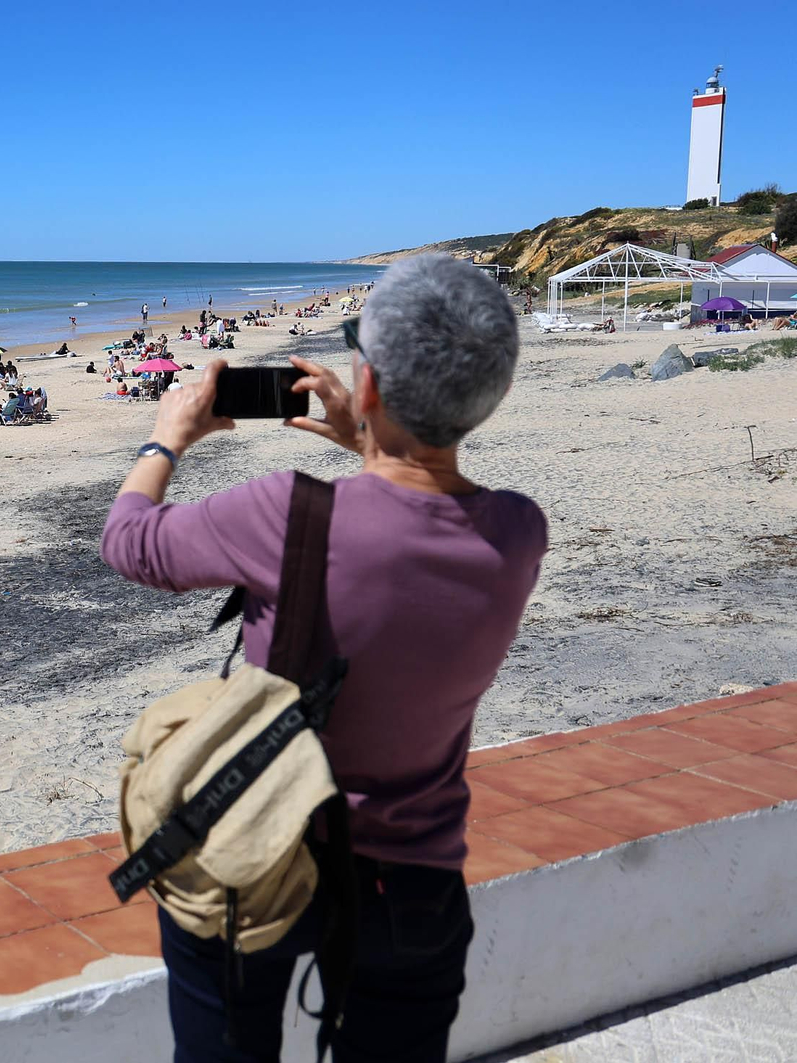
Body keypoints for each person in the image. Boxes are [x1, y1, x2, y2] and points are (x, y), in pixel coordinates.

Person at [99, 255, 546, 1062]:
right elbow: (416, 507)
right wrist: (368, 441)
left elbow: (128, 541)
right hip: (413, 884)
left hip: (261, 855)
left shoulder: (286, 513)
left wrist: (166, 436)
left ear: (365, 383)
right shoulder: (517, 532)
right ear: (496, 394)